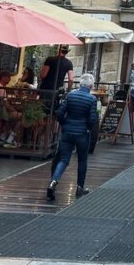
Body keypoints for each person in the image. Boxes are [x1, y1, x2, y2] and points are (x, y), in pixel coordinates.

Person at [47, 72, 99, 200]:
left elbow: (60, 113)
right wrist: (87, 127)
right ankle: (80, 188)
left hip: (68, 131)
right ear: (91, 86)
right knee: (82, 160)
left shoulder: (71, 96)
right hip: (82, 133)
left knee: (64, 159)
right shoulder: (92, 99)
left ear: (80, 84)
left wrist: (65, 124)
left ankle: (53, 182)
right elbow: (93, 120)